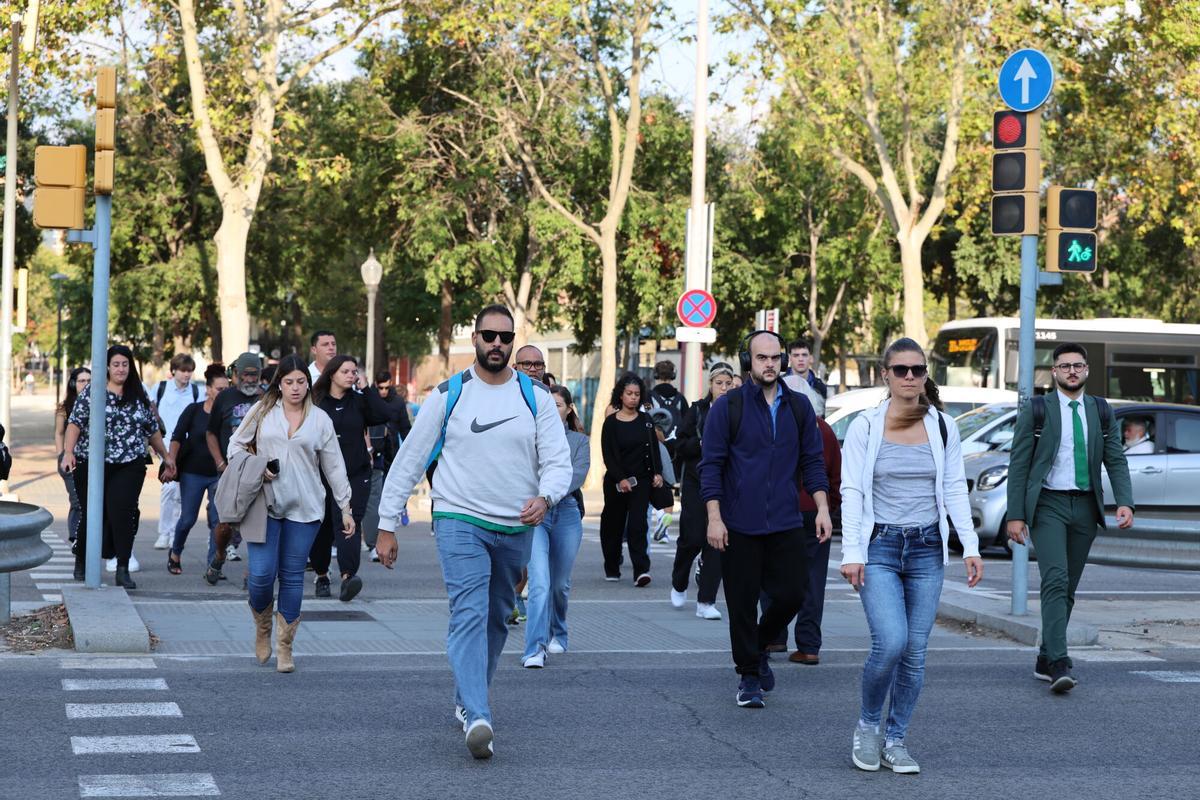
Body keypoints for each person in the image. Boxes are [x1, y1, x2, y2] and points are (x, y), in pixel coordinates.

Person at [374, 304, 571, 760]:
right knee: (468, 612)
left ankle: (468, 697)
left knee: (499, 615)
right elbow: (410, 459)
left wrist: (547, 497)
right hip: (459, 518)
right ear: (476, 339)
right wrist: (387, 524)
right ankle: (479, 715)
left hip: (516, 524)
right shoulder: (449, 394)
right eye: (488, 336)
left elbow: (558, 461)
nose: (497, 344)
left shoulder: (535, 397)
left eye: (505, 337)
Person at [840, 337, 983, 775]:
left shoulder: (943, 426)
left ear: (925, 374)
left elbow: (955, 487)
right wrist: (851, 552)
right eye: (899, 370)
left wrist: (970, 545)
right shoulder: (866, 425)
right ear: (885, 375)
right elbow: (852, 489)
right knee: (891, 643)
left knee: (916, 653)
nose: (908, 377)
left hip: (925, 549)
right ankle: (868, 726)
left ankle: (896, 739)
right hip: (879, 546)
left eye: (916, 370)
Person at [699, 331, 831, 709]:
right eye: (762, 358)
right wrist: (714, 517)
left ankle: (755, 650)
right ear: (749, 361)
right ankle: (749, 676)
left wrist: (822, 508)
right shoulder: (729, 407)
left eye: (775, 357)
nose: (770, 364)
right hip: (738, 522)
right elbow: (712, 466)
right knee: (741, 603)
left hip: (787, 521)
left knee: (793, 593)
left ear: (784, 360)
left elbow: (812, 463)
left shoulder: (800, 407)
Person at [1005, 342, 1134, 694]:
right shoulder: (1037, 410)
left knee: (1068, 588)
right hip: (1048, 505)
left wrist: (1125, 501)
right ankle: (1060, 662)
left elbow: (1115, 459)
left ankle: (1045, 654)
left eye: (1078, 365)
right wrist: (1015, 515)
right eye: (1065, 366)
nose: (1072, 371)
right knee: (1056, 579)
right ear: (1054, 373)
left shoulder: (1101, 410)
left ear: (1087, 370)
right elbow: (1018, 465)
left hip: (1086, 507)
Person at [230, 354, 354, 673]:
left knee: (293, 575)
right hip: (265, 504)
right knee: (260, 575)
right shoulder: (263, 412)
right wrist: (258, 468)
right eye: (288, 382)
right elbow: (235, 447)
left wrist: (345, 507)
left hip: (306, 506)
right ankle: (262, 627)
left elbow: (334, 466)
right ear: (279, 384)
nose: (295, 388)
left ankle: (285, 647)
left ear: (309, 384)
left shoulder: (320, 420)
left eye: (301, 381)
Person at [61, 345, 177, 589]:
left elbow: (152, 429)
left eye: (125, 364)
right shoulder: (94, 392)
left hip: (129, 464)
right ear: (107, 367)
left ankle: (122, 567)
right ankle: (82, 558)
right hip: (92, 464)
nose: (120, 369)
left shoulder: (137, 394)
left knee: (123, 513)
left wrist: (166, 456)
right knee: (94, 514)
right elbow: (74, 423)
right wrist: (68, 452)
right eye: (116, 364)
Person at [309, 355, 406, 601]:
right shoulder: (317, 402)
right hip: (321, 476)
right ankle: (321, 575)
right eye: (346, 371)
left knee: (348, 524)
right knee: (322, 529)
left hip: (356, 474)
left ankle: (347, 577)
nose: (352, 375)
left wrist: (366, 388)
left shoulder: (360, 401)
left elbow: (385, 414)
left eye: (354, 372)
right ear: (332, 374)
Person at [521, 384, 589, 668]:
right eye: (547, 405)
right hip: (536, 515)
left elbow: (577, 475)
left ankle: (558, 632)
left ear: (568, 409)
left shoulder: (578, 440)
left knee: (559, 585)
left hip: (567, 513)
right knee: (539, 582)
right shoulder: (529, 436)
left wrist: (549, 495)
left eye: (558, 405)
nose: (552, 409)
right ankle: (534, 648)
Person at [765, 413, 841, 663]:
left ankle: (774, 636)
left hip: (780, 509)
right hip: (815, 510)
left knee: (772, 572)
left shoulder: (777, 422)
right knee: (813, 577)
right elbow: (835, 475)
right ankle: (809, 645)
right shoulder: (825, 429)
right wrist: (830, 507)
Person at [671, 362, 734, 620]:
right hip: (696, 482)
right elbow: (681, 445)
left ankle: (706, 600)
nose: (724, 388)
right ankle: (679, 581)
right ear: (710, 385)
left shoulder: (738, 410)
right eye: (719, 383)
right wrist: (700, 442)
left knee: (717, 541)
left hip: (726, 484)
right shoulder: (697, 410)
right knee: (693, 537)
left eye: (728, 383)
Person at [599, 373, 665, 587]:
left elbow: (654, 448)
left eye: (637, 394)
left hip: (642, 481)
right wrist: (621, 478)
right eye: (629, 393)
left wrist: (658, 473)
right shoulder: (610, 423)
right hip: (616, 483)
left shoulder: (646, 421)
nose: (633, 398)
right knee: (613, 526)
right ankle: (612, 566)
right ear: (621, 395)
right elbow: (607, 454)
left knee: (638, 525)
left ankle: (641, 570)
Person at [205, 353, 264, 581]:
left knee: (260, 523)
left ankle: (254, 573)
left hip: (261, 471)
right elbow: (210, 432)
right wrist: (220, 462)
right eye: (246, 374)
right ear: (235, 374)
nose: (250, 379)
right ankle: (219, 555)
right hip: (232, 470)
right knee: (225, 525)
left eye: (254, 374)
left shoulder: (269, 397)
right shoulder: (225, 397)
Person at [166, 364, 228, 575]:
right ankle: (175, 552)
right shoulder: (194, 411)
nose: (223, 394)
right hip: (192, 473)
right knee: (188, 519)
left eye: (226, 389)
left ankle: (213, 565)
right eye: (220, 389)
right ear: (208, 390)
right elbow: (176, 437)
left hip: (218, 474)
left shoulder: (228, 415)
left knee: (217, 521)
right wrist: (171, 461)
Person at [362, 370, 412, 561]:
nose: (383, 391)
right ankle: (372, 535)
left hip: (393, 451)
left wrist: (410, 449)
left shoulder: (398, 402)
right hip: (374, 450)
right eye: (379, 387)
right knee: (374, 494)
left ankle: (394, 514)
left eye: (386, 387)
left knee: (388, 488)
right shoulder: (370, 398)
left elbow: (406, 427)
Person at [152, 353, 199, 550]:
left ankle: (174, 534)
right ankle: (164, 533)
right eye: (183, 371)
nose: (186, 375)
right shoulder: (161, 388)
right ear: (174, 371)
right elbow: (151, 409)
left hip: (187, 447)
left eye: (189, 371)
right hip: (166, 447)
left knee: (181, 494)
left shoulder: (197, 391)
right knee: (168, 489)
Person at [55, 367, 91, 544]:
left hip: (90, 459)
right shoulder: (65, 407)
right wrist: (61, 455)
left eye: (89, 381)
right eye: (81, 381)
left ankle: (85, 536)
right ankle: (76, 537)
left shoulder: (98, 403)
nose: (85, 384)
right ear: (73, 384)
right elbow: (59, 433)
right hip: (70, 460)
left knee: (88, 499)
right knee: (77, 500)